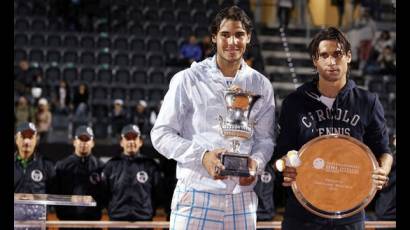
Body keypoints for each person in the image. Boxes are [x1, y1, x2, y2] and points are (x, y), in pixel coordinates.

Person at [151, 6, 275, 229]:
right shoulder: (188, 79)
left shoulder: (261, 85)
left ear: (248, 38)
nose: (232, 42)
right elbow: (160, 134)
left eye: (239, 35)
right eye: (225, 35)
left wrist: (256, 163)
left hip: (242, 200)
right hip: (196, 194)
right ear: (214, 38)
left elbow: (265, 140)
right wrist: (203, 157)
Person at [274, 27, 393, 229]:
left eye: (337, 54)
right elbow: (280, 154)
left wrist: (382, 170)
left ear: (348, 57)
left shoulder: (368, 102)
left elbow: (384, 152)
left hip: (350, 214)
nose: (331, 61)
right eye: (324, 55)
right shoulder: (294, 103)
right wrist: (284, 165)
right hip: (302, 215)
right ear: (315, 61)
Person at [102, 124, 161, 229]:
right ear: (121, 142)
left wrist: (146, 211)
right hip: (117, 223)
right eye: (127, 138)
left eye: (135, 138)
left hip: (144, 223)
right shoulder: (111, 165)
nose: (131, 141)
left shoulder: (150, 165)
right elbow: (104, 194)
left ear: (140, 142)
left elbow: (158, 193)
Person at [54, 126, 105, 229]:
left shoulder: (100, 167)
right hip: (68, 224)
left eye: (87, 139)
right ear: (74, 142)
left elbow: (105, 194)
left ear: (93, 143)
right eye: (81, 139)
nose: (84, 143)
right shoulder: (61, 166)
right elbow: (55, 193)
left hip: (92, 224)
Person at [14, 122, 55, 194]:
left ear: (36, 140)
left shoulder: (47, 165)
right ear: (16, 139)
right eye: (23, 137)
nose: (27, 141)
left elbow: (54, 197)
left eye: (31, 137)